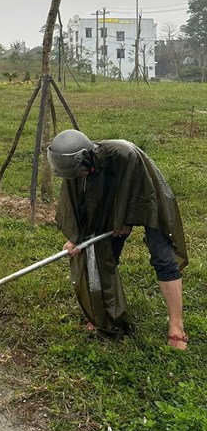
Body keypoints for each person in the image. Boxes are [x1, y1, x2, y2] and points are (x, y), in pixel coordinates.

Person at [47, 129, 189, 349]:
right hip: (115, 206)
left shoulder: (125, 154)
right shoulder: (75, 169)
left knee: (162, 255)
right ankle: (102, 314)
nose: (78, 178)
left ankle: (177, 326)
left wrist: (125, 221)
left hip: (149, 196)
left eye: (80, 173)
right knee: (104, 253)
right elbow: (77, 205)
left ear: (87, 157)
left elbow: (138, 193)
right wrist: (75, 238)